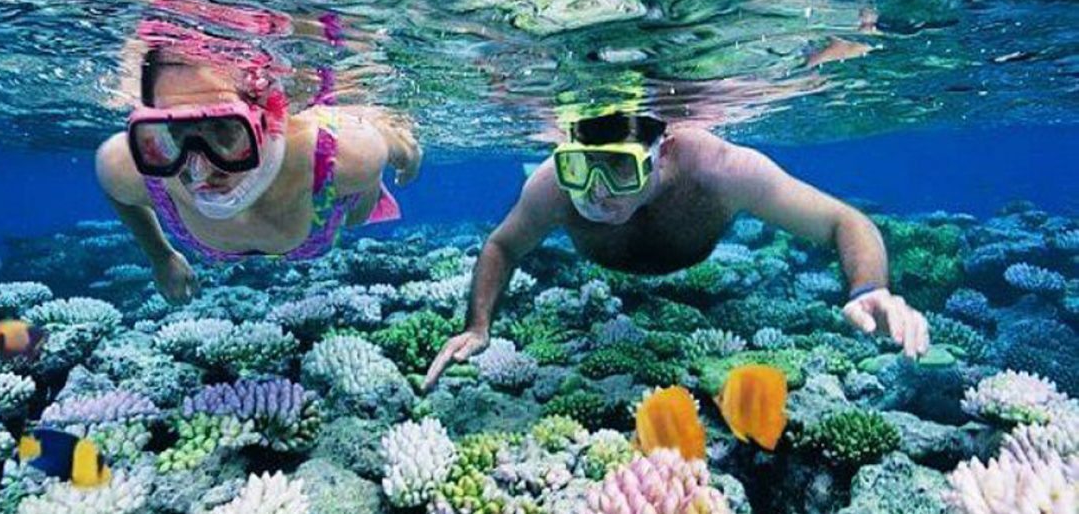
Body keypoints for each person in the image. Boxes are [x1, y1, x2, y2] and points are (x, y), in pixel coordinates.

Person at [423, 111, 929, 389]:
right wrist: (477, 325)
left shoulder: (720, 170)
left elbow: (846, 220)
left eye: (620, 169)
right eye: (582, 167)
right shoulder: (553, 185)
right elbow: (503, 245)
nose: (598, 191)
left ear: (660, 155)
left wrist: (870, 288)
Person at [96, 45, 421, 304]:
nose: (200, 168)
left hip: (330, 197)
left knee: (358, 206)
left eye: (222, 129)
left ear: (267, 121)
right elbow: (116, 193)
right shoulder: (129, 164)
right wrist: (161, 255)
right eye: (173, 132)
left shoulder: (346, 156)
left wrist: (406, 153)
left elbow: (396, 148)